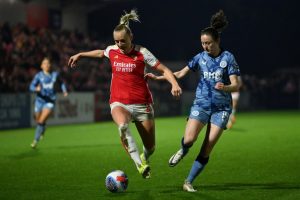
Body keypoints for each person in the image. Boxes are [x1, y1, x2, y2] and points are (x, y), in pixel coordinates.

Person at [68, 9, 182, 179]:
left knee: (151, 147)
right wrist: (81, 54)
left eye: (123, 41)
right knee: (122, 126)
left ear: (131, 37)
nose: (119, 44)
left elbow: (164, 69)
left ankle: (145, 156)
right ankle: (140, 166)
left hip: (142, 104)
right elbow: (100, 52)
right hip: (119, 102)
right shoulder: (112, 50)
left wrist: (174, 83)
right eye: (116, 41)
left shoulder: (142, 53)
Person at [146, 10, 241, 191]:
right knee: (189, 140)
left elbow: (236, 85)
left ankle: (188, 182)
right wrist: (160, 78)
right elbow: (180, 73)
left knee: (207, 147)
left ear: (217, 41)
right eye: (203, 43)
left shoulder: (228, 58)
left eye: (209, 43)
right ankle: (183, 150)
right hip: (201, 105)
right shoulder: (199, 57)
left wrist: (225, 87)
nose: (205, 47)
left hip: (221, 109)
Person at [29, 57, 68, 148]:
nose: (47, 65)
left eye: (48, 63)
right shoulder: (39, 76)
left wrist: (64, 90)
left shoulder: (55, 74)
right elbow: (31, 86)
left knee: (41, 121)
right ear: (41, 66)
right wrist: (36, 89)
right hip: (40, 100)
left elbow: (61, 82)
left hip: (50, 101)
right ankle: (43, 127)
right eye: (45, 63)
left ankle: (35, 140)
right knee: (38, 120)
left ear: (50, 65)